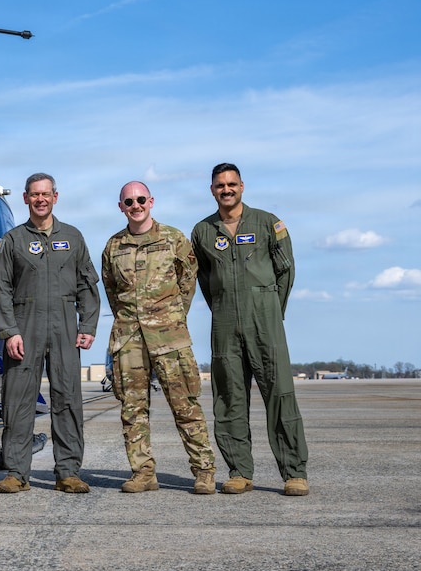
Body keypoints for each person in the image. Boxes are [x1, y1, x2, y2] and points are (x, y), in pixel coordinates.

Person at [190, 163, 309, 496]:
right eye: (219, 185)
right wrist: (222, 305)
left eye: (231, 184)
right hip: (225, 322)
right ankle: (239, 470)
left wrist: (271, 308)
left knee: (280, 394)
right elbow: (203, 278)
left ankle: (294, 472)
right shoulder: (202, 231)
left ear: (242, 186)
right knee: (229, 397)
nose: (226, 190)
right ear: (212, 190)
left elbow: (286, 269)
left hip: (265, 319)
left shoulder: (269, 222)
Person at [100, 181, 216, 494]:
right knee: (132, 410)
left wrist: (171, 316)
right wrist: (132, 320)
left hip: (170, 338)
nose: (135, 205)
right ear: (121, 206)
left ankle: (204, 471)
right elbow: (112, 291)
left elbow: (188, 282)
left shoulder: (174, 239)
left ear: (151, 201)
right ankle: (143, 473)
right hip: (129, 340)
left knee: (186, 406)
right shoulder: (113, 247)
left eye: (140, 199)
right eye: (128, 201)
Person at [0, 173, 100, 494]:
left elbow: (87, 285)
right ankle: (16, 472)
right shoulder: (13, 241)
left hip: (65, 327)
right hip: (24, 327)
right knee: (18, 401)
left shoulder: (74, 237)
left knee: (67, 399)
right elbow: (1, 289)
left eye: (46, 194)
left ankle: (68, 471)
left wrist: (88, 325)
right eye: (34, 195)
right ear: (25, 198)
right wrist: (9, 331)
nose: (40, 199)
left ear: (55, 196)